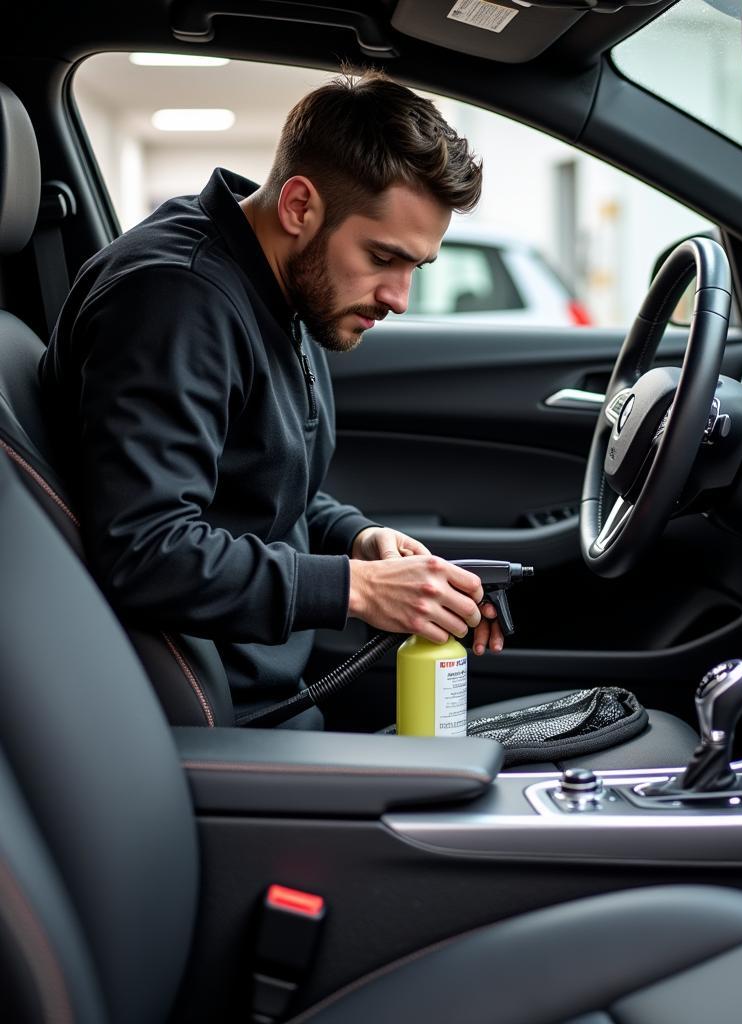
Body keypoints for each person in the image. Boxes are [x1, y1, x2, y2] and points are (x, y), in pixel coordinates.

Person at [39, 69, 502, 724]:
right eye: (381, 257)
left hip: (277, 692)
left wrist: (358, 541)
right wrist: (357, 591)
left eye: (414, 269)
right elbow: (147, 551)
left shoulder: (284, 290)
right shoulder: (175, 301)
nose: (399, 297)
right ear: (298, 206)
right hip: (223, 720)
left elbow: (256, 488)